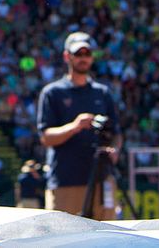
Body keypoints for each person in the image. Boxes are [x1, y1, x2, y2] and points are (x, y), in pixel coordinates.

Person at [37, 32, 120, 218]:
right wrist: (75, 126)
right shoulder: (53, 93)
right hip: (66, 181)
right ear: (67, 56)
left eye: (87, 53)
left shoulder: (102, 93)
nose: (83, 58)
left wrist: (114, 150)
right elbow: (45, 137)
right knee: (64, 234)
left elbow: (116, 133)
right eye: (78, 54)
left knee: (108, 233)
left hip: (102, 179)